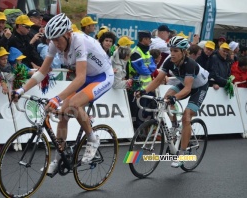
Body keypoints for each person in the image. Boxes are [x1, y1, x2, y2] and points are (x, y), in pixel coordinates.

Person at [12, 13, 114, 174]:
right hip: (87, 76)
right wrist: (21, 89)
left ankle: (93, 139)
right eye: (52, 40)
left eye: (58, 39)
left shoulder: (79, 42)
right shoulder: (54, 43)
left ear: (68, 34)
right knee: (63, 114)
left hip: (102, 76)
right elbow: (42, 72)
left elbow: (79, 78)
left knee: (73, 104)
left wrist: (57, 98)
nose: (56, 44)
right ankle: (60, 155)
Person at [136, 36, 209, 167]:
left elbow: (187, 89)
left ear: (183, 52)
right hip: (185, 83)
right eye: (171, 50)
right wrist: (143, 91)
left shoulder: (190, 64)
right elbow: (157, 80)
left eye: (176, 51)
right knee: (166, 97)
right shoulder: (169, 61)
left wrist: (175, 98)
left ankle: (182, 154)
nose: (172, 54)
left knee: (187, 117)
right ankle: (175, 125)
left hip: (198, 88)